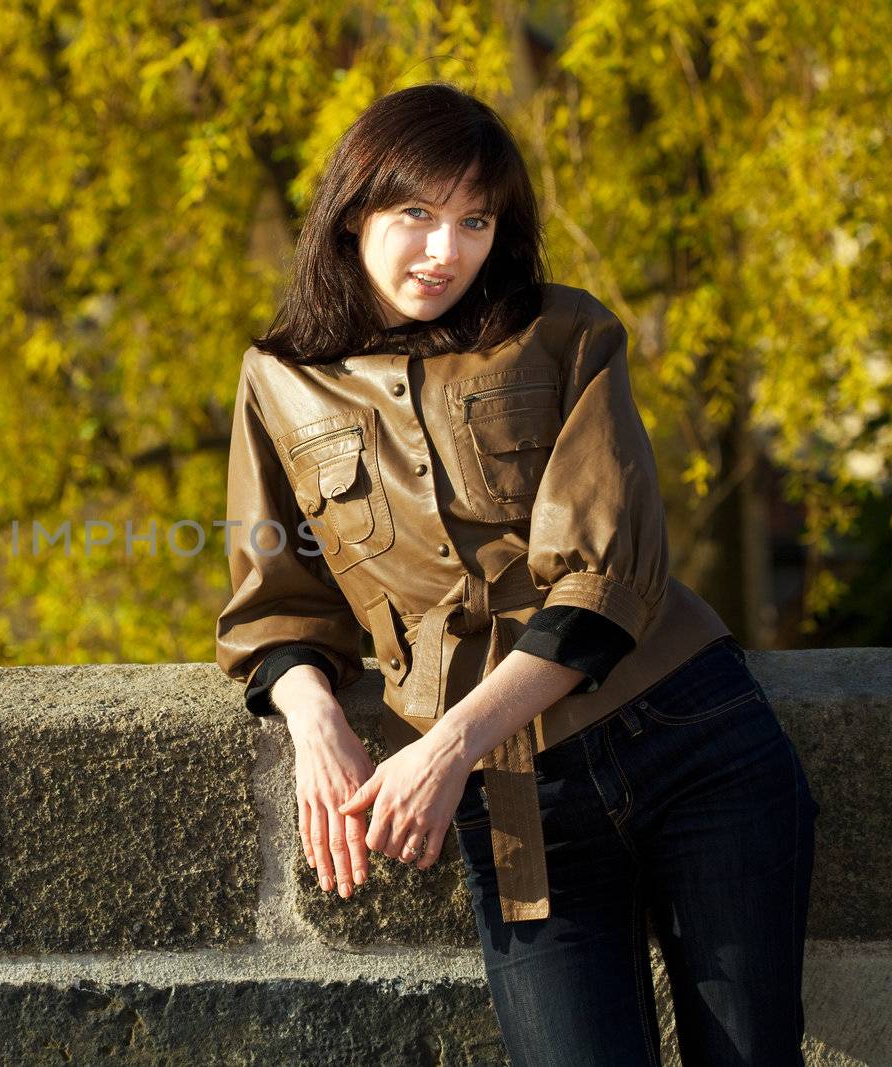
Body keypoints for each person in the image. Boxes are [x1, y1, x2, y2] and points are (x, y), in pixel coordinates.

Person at [214, 81, 819, 1066]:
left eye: (474, 220)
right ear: (354, 210)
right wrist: (317, 722)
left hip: (689, 738)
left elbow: (605, 578)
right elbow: (274, 596)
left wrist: (447, 744)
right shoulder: (276, 378)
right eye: (416, 213)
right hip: (520, 808)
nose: (444, 250)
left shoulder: (568, 334)